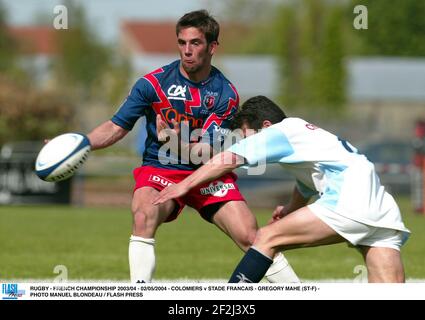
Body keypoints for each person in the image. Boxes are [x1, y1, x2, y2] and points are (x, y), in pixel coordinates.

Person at [86, 11, 298, 283]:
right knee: (143, 215)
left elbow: (206, 153)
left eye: (195, 43)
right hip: (160, 169)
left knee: (251, 236)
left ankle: (298, 292)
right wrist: (81, 144)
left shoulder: (225, 94)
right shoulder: (152, 84)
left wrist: (175, 143)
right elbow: (116, 127)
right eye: (182, 42)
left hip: (205, 172)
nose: (187, 51)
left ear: (212, 47)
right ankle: (140, 292)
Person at [153, 95, 411, 283]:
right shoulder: (306, 136)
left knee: (266, 238)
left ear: (265, 126)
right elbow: (308, 184)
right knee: (389, 291)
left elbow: (227, 160)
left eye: (246, 136)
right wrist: (289, 208)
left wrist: (183, 185)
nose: (246, 143)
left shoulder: (281, 131)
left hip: (349, 202)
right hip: (382, 209)